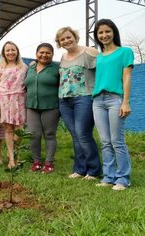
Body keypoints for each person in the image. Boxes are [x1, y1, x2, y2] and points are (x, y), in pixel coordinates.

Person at [55, 26, 102, 180]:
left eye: (69, 37)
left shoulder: (89, 52)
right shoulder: (63, 57)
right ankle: (80, 169)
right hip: (64, 101)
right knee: (75, 135)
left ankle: (94, 170)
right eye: (62, 39)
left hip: (84, 98)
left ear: (75, 37)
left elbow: (105, 67)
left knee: (83, 133)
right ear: (59, 43)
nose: (66, 40)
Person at [92, 19, 134, 191]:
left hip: (115, 99)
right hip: (97, 101)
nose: (104, 35)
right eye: (100, 33)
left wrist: (126, 101)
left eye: (107, 31)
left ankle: (123, 179)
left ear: (114, 32)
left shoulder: (125, 52)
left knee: (117, 141)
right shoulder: (99, 56)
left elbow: (126, 77)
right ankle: (108, 177)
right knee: (105, 141)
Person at [0, 41, 27, 169]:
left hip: (20, 100)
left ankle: (14, 152)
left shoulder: (24, 67)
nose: (10, 52)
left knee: (19, 131)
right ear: (3, 53)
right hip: (4, 100)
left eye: (13, 50)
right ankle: (12, 158)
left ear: (17, 51)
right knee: (8, 129)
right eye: (7, 50)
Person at [25, 43, 60, 173]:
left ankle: (49, 163)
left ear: (52, 55)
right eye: (41, 52)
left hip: (51, 107)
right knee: (33, 134)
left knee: (49, 134)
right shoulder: (30, 68)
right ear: (36, 54)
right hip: (31, 107)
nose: (44, 55)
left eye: (47, 53)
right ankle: (36, 162)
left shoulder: (57, 69)